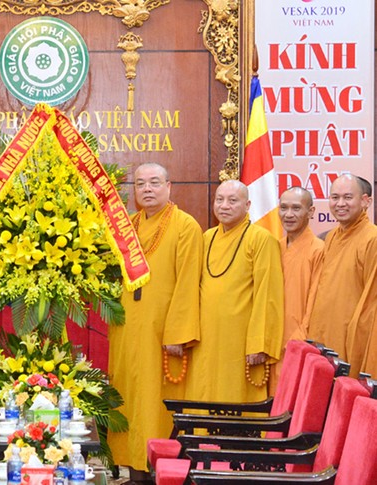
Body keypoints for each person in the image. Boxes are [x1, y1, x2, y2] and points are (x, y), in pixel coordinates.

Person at [108, 163, 202, 473]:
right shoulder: (129, 226)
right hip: (128, 329)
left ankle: (157, 470)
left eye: (154, 183)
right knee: (128, 396)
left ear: (169, 186)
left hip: (162, 333)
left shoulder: (185, 226)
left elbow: (188, 283)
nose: (147, 189)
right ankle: (130, 466)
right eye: (140, 184)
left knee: (154, 401)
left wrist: (177, 333)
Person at [186, 180, 283, 403]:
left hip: (240, 341)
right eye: (219, 200)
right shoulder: (206, 237)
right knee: (204, 393)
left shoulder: (261, 239)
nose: (224, 206)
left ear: (248, 205)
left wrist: (259, 343)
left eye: (232, 200)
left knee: (236, 397)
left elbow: (268, 296)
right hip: (206, 339)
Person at [307, 174, 377, 376]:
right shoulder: (331, 238)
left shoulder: (372, 239)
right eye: (334, 197)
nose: (340, 203)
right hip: (324, 337)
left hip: (352, 339)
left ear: (366, 201)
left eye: (348, 197)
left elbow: (371, 305)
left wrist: (359, 344)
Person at [271, 187, 324, 394]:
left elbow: (316, 301)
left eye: (296, 208)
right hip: (273, 342)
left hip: (299, 342)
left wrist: (300, 337)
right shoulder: (275, 247)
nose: (289, 215)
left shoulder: (318, 249)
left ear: (311, 212)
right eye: (284, 208)